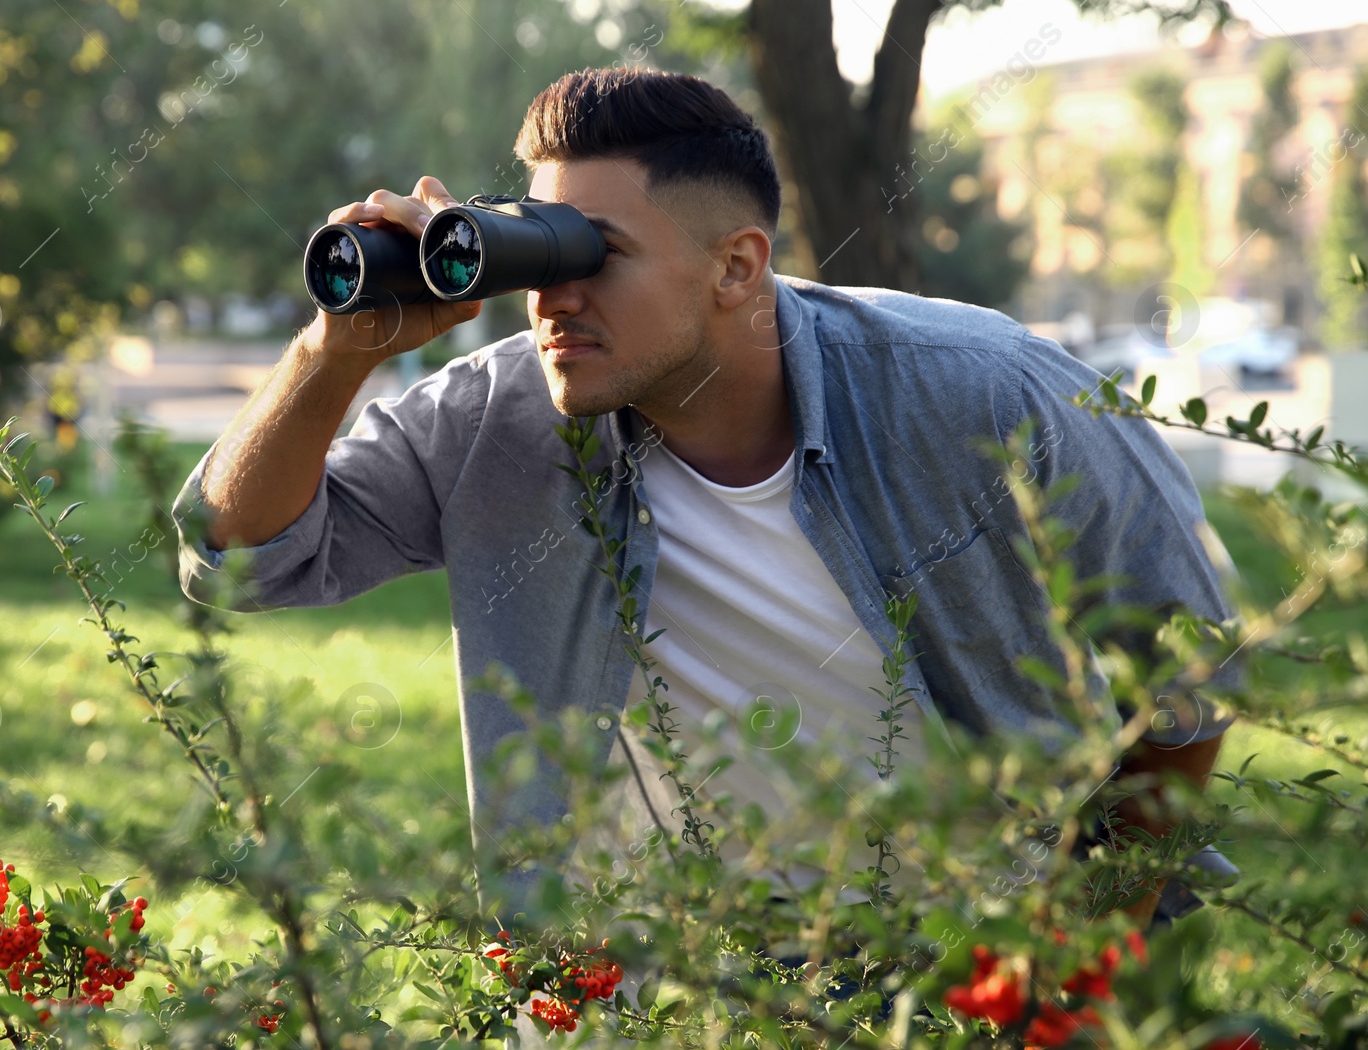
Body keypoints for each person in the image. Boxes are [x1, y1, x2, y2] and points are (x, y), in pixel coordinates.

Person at [170, 67, 1238, 937]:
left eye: (596, 253)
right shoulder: (494, 417)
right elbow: (237, 561)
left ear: (737, 266)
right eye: (535, 249)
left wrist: (1083, 951)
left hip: (969, 965)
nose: (552, 295)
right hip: (647, 984)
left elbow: (1194, 661)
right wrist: (333, 349)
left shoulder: (987, 391)